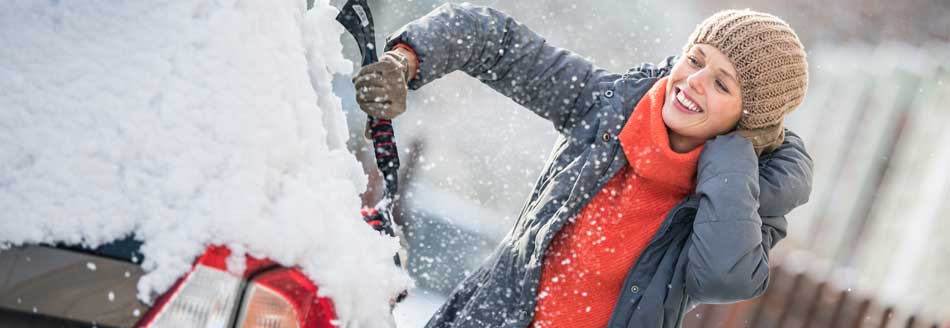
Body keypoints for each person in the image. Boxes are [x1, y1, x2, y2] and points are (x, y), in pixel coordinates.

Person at [352, 4, 813, 328]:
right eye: (695, 60)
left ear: (747, 121)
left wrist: (731, 158)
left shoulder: (750, 202)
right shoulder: (606, 109)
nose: (693, 82)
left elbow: (723, 278)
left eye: (721, 84)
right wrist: (408, 59)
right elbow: (494, 42)